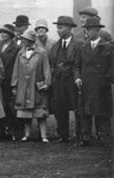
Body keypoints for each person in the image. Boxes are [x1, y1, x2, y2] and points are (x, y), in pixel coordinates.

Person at [75, 15, 113, 146]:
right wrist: (78, 77)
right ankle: (85, 137)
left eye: (90, 29)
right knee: (85, 111)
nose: (87, 32)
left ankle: (103, 137)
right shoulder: (83, 47)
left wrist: (106, 80)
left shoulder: (108, 47)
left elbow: (112, 67)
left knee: (102, 111)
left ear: (97, 30)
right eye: (86, 29)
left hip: (101, 86)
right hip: (86, 85)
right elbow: (77, 66)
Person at [47, 16, 83, 143]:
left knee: (77, 109)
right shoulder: (56, 46)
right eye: (57, 28)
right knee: (60, 110)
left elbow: (79, 64)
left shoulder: (78, 45)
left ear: (69, 28)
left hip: (72, 82)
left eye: (60, 28)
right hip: (58, 83)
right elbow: (52, 62)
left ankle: (80, 136)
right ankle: (63, 136)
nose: (58, 30)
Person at [12, 28, 51, 142]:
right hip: (23, 86)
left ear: (31, 40)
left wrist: (47, 83)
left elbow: (46, 68)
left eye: (26, 38)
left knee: (40, 112)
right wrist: (14, 85)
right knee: (26, 112)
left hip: (37, 86)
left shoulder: (42, 52)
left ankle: (44, 135)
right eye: (23, 38)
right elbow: (16, 69)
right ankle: (27, 134)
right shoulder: (20, 52)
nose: (24, 40)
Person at [0, 24, 20, 140]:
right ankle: (1, 129)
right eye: (1, 32)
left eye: (5, 33)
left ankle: (12, 129)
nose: (2, 34)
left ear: (11, 35)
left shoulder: (16, 48)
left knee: (9, 106)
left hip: (9, 80)